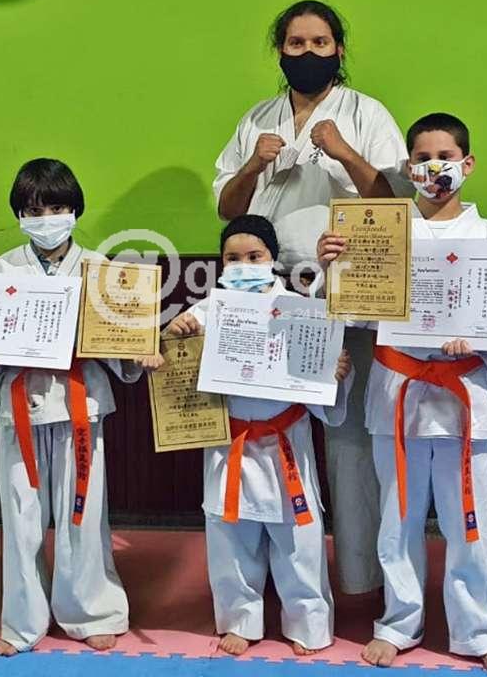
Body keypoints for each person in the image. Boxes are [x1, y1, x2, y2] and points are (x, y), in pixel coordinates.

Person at [213, 0, 406, 594]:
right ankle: (280, 578)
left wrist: (343, 150)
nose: (307, 53)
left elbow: (395, 201)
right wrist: (253, 164)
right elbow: (227, 209)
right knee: (274, 427)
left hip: (349, 287)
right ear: (281, 51)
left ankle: (359, 576)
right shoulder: (258, 119)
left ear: (338, 49)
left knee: (350, 438)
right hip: (267, 291)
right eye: (296, 44)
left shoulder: (366, 113)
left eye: (319, 43)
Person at [321, 114, 487, 674]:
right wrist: (332, 267)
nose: (434, 168)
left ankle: (480, 628)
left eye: (446, 157)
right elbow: (354, 314)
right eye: (423, 159)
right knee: (398, 521)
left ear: (468, 164)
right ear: (408, 169)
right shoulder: (383, 231)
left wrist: (478, 339)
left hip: (465, 396)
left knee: (470, 522)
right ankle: (398, 622)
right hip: (399, 395)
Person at [0, 158, 148, 656]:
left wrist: (135, 353)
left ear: (75, 210)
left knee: (83, 514)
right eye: (34, 210)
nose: (46, 219)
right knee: (20, 519)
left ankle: (92, 612)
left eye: (57, 208)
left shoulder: (101, 269)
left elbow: (120, 350)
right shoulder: (3, 269)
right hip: (19, 406)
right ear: (19, 215)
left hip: (80, 404)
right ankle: (22, 621)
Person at [157, 214, 351, 656]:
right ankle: (240, 619)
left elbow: (324, 385)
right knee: (230, 537)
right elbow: (169, 372)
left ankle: (308, 622)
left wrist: (336, 373)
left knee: (298, 540)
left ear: (272, 259)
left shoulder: (301, 309)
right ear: (221, 263)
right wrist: (173, 337)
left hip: (285, 441)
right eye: (233, 258)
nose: (243, 265)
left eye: (254, 256)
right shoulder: (207, 311)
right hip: (230, 443)